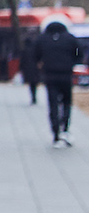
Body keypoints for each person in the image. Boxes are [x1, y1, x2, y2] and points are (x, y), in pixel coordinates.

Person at [38, 16, 79, 145]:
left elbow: (36, 54)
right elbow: (79, 53)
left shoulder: (43, 39)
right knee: (67, 102)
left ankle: (55, 132)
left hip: (50, 76)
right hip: (66, 75)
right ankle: (65, 128)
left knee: (53, 103)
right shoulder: (70, 39)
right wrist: (72, 64)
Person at [19, 32, 41, 105]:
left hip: (27, 69)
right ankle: (34, 96)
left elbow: (22, 61)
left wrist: (21, 69)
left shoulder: (24, 50)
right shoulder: (36, 49)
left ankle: (33, 96)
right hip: (35, 69)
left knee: (31, 84)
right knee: (34, 83)